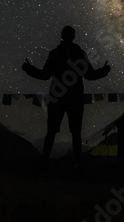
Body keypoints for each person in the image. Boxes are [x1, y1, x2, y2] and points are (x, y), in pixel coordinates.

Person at [22, 26, 110, 165]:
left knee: (52, 132)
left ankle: (45, 163)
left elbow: (44, 75)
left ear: (62, 36)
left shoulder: (55, 53)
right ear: (73, 36)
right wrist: (104, 71)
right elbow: (90, 75)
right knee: (75, 133)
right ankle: (76, 165)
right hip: (75, 97)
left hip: (57, 96)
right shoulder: (79, 53)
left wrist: (29, 69)